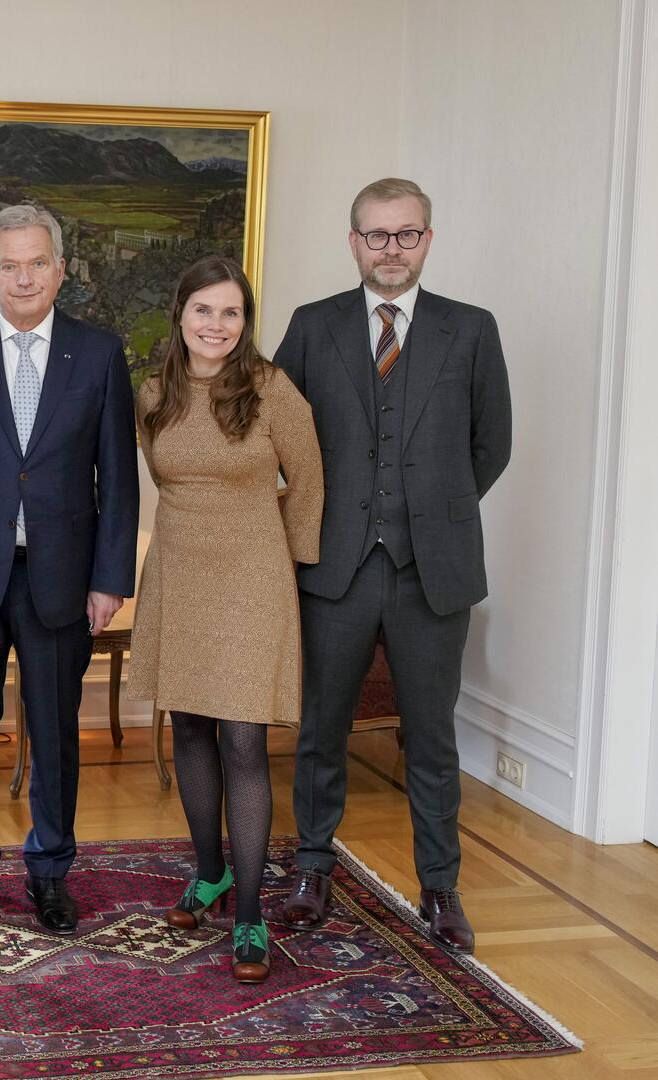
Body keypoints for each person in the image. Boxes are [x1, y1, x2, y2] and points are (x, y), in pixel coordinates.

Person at [274, 178, 511, 953]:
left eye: (406, 234)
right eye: (376, 235)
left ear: (426, 240)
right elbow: (279, 434)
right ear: (353, 242)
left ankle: (439, 887)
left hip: (432, 571)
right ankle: (312, 871)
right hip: (334, 567)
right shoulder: (311, 326)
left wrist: (431, 509)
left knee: (432, 737)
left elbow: (490, 444)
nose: (390, 249)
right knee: (321, 729)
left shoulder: (469, 330)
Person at [0, 204, 139, 937]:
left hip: (62, 578)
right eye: (8, 265)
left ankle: (49, 870)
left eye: (37, 263)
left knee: (55, 732)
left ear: (60, 270)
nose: (24, 277)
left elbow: (118, 476)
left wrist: (109, 579)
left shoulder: (98, 353)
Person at [127, 255, 322, 983]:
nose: (216, 324)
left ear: (245, 321)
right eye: (203, 310)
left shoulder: (272, 390)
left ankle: (248, 913)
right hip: (179, 574)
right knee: (188, 726)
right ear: (180, 315)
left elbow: (309, 482)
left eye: (230, 312)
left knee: (243, 740)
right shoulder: (154, 393)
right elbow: (162, 474)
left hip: (252, 580)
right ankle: (208, 873)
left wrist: (292, 570)